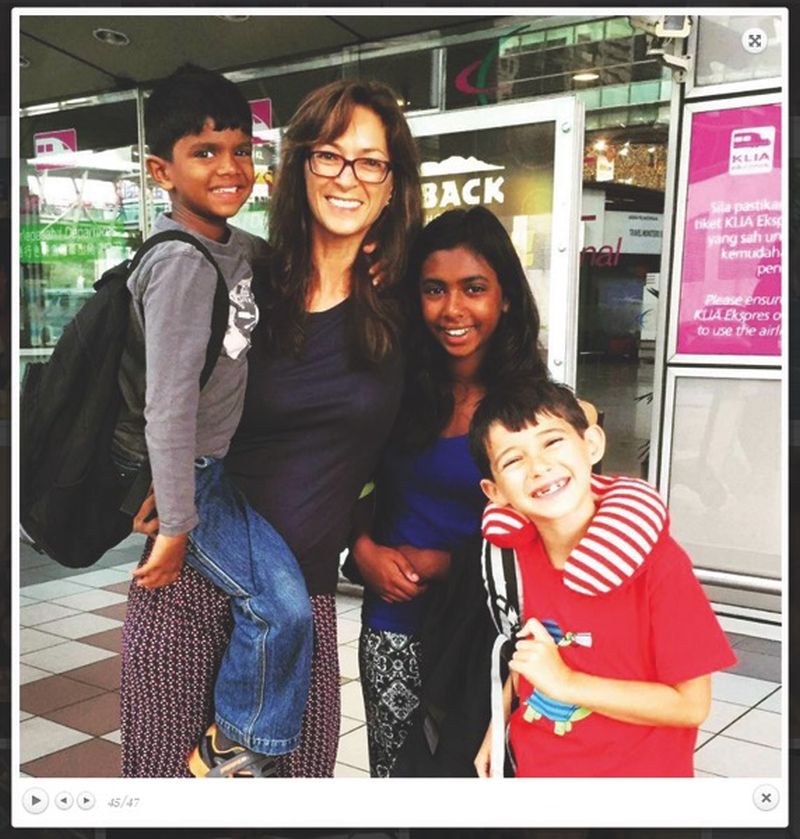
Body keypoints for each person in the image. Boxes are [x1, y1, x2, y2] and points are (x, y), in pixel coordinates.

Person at [121, 77, 423, 778]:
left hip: (299, 604)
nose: (348, 177)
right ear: (299, 167)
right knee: (167, 803)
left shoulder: (402, 307)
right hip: (188, 592)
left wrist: (367, 535)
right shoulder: (247, 279)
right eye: (329, 156)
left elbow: (451, 418)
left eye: (370, 161)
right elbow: (157, 379)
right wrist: (151, 476)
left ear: (391, 184)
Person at [115, 64, 313, 778]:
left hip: (217, 472)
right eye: (205, 152)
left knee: (282, 600)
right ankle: (238, 740)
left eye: (241, 149)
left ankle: (245, 734)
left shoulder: (236, 249)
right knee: (281, 607)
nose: (230, 168)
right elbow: (165, 405)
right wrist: (175, 525)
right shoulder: (181, 264)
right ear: (160, 170)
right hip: (192, 479)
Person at [350, 207, 549, 777]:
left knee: (477, 791)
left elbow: (555, 539)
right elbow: (353, 481)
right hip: (392, 627)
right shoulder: (392, 387)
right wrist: (361, 550)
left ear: (505, 297)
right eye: (435, 289)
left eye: (474, 289)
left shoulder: (535, 410)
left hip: (488, 642)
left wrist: (450, 564)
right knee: (397, 784)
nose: (453, 309)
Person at [469, 379, 737, 777]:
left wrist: (567, 683)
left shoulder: (659, 566)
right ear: (495, 491)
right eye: (513, 460)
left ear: (592, 444)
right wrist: (498, 725)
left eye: (552, 442)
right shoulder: (511, 557)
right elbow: (529, 654)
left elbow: (691, 705)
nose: (539, 467)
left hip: (641, 784)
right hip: (543, 770)